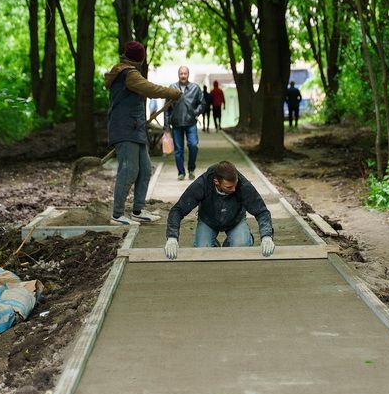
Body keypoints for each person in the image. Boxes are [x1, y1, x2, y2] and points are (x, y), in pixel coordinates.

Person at [104, 41, 181, 225]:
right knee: (129, 169)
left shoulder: (128, 72)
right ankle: (117, 215)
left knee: (145, 170)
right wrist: (172, 93)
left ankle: (137, 210)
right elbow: (150, 89)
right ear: (140, 58)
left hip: (136, 128)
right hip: (125, 128)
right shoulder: (128, 74)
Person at [164, 161, 275, 260]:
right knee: (202, 250)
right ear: (216, 181)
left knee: (241, 247)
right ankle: (213, 244)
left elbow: (262, 212)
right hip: (208, 220)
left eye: (235, 185)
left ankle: (234, 242)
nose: (234, 189)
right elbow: (178, 210)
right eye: (229, 187)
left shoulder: (243, 185)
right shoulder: (202, 184)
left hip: (235, 220)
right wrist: (172, 237)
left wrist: (266, 236)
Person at [165, 66, 205, 180]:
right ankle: (181, 172)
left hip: (191, 123)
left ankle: (191, 169)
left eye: (185, 73)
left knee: (193, 145)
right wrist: (166, 126)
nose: (183, 76)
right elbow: (166, 108)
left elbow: (202, 103)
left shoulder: (195, 88)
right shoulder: (172, 88)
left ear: (188, 74)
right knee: (178, 150)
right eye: (181, 73)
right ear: (178, 74)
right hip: (176, 123)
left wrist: (195, 112)